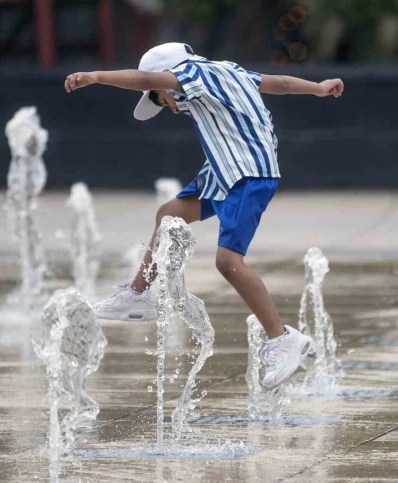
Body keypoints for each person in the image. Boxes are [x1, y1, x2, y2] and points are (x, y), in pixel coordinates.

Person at [64, 42, 344, 390]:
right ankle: (137, 294)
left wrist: (95, 76)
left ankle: (282, 338)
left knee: (228, 262)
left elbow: (144, 78)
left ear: (168, 81)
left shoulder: (191, 73)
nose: (165, 106)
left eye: (157, 99)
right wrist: (317, 88)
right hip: (223, 171)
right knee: (169, 214)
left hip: (248, 176)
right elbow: (280, 84)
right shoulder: (231, 70)